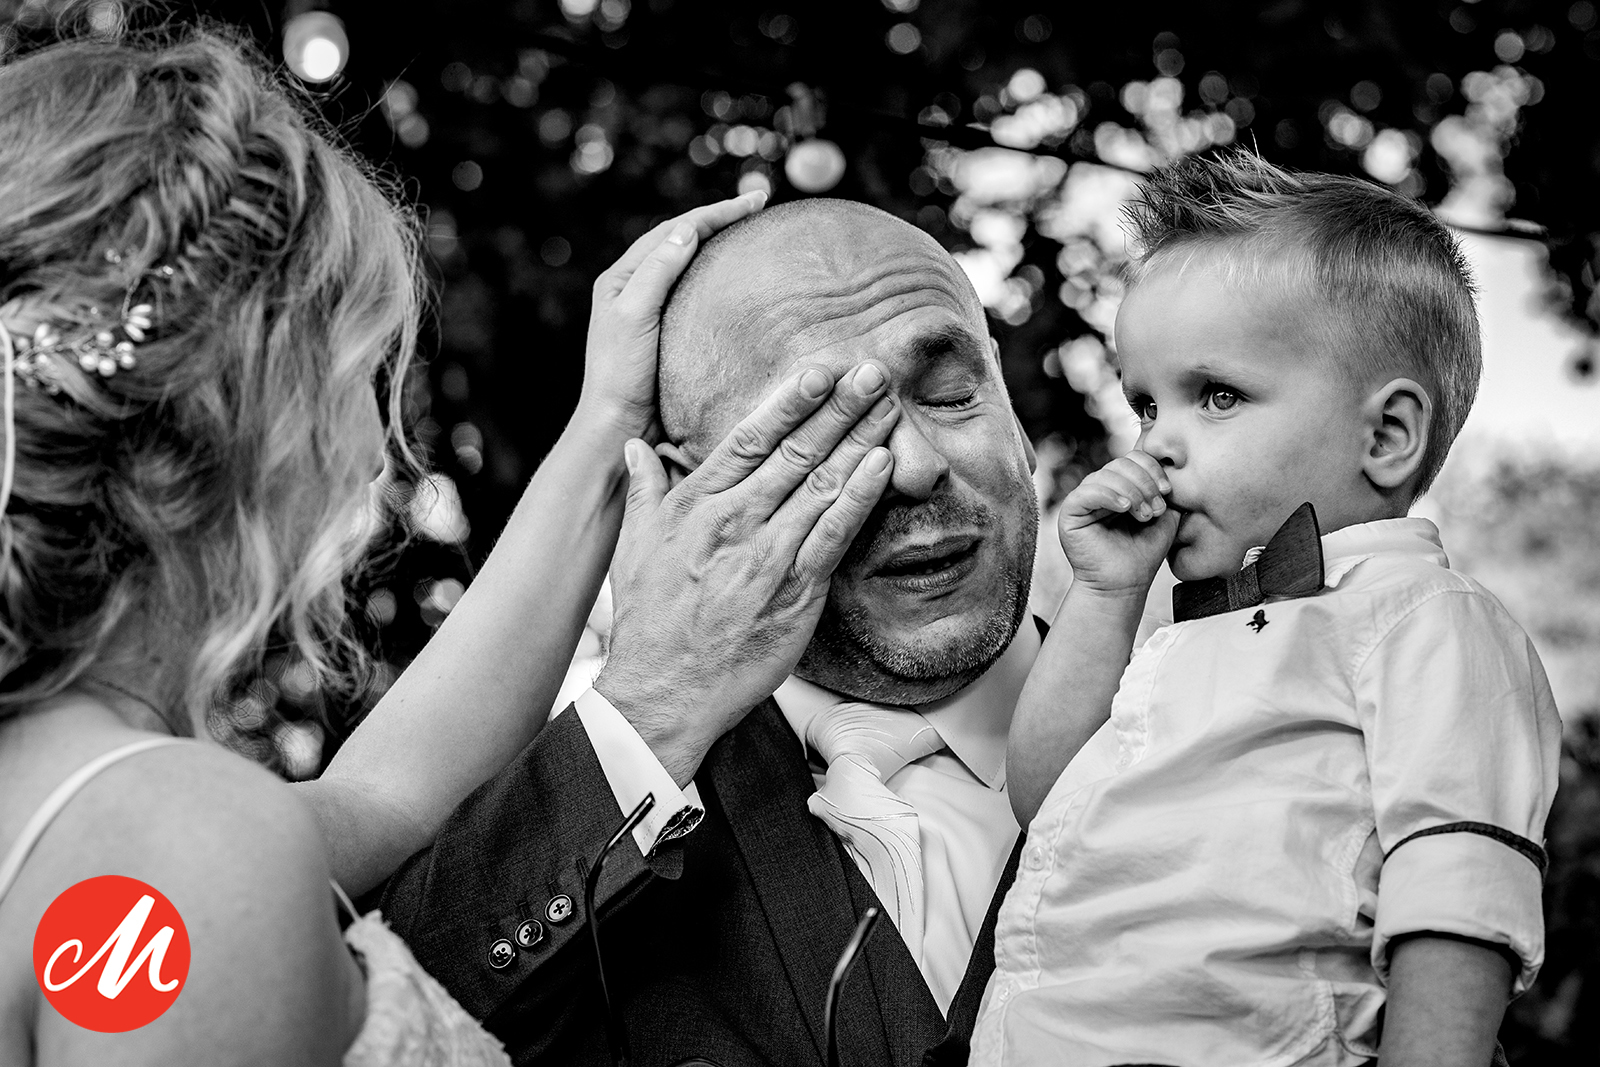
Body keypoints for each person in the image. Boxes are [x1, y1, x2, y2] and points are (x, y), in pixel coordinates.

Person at [0, 21, 897, 1066]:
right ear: (251, 415)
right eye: (363, 371)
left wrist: (607, 425)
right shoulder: (183, 849)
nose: (378, 446)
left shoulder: (94, 808)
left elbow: (384, 798)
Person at [377, 199, 1045, 1066]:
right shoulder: (595, 821)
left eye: (954, 395)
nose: (915, 467)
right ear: (684, 498)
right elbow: (396, 1012)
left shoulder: (1190, 708)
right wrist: (654, 707)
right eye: (826, 429)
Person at [972, 151, 1561, 1067]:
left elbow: (1456, 895)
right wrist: (1106, 594)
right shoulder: (1178, 640)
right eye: (1145, 404)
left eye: (1217, 396)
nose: (1157, 443)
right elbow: (1045, 801)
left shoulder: (1425, 619)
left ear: (1386, 435)